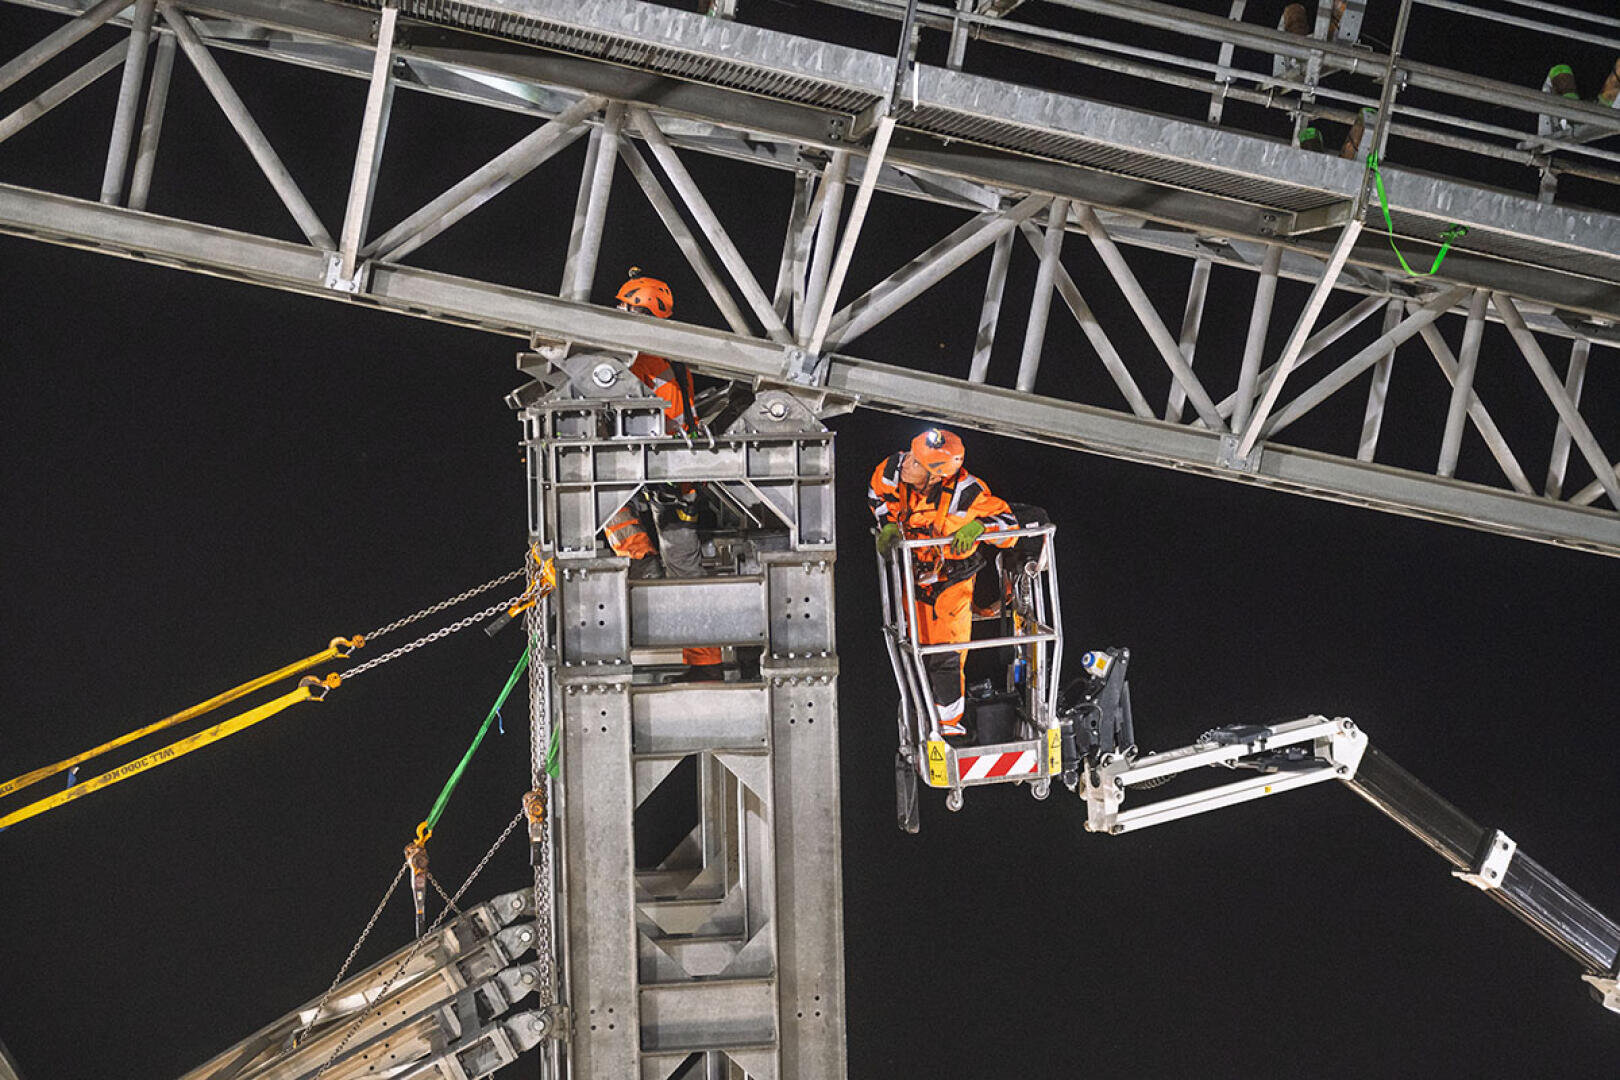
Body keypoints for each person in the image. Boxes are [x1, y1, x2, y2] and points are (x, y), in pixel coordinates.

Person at [602, 269, 726, 681]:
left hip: (670, 478)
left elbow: (660, 420)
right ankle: (643, 561)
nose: (616, 313)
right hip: (668, 476)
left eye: (623, 307)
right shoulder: (664, 357)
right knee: (612, 509)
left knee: (683, 571)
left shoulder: (643, 361)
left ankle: (705, 665)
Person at [870, 428, 1016, 739]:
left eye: (916, 462)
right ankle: (923, 719)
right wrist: (887, 527)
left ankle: (949, 727)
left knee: (946, 656)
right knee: (914, 650)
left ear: (935, 476)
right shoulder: (896, 469)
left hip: (952, 583)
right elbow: (877, 494)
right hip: (915, 579)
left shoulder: (968, 493)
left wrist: (980, 526)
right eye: (911, 455)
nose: (906, 462)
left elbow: (1009, 525)